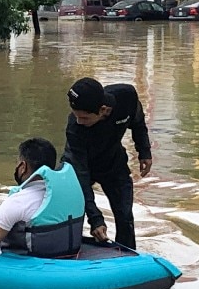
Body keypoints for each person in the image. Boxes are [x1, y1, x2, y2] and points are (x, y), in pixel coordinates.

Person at [62, 77, 152, 248]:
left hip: (113, 163)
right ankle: (70, 250)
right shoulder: (75, 128)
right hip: (79, 166)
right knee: (71, 212)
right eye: (76, 116)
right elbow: (81, 175)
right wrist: (96, 219)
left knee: (125, 216)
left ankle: (128, 257)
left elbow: (138, 122)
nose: (79, 121)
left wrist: (144, 151)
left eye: (85, 118)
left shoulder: (126, 97)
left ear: (103, 110)